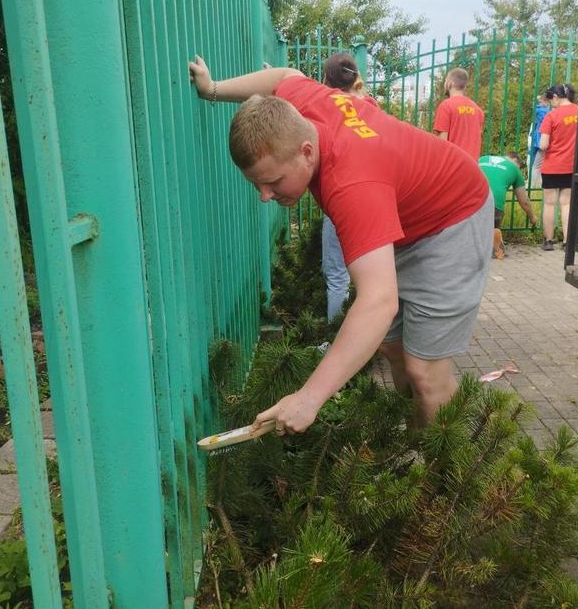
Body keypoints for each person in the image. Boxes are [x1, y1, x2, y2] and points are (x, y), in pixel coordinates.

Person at [188, 56, 493, 433]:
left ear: (306, 151)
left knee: (425, 371)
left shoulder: (351, 184)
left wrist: (309, 398)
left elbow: (378, 301)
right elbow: (284, 77)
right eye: (256, 184)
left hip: (454, 217)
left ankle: (444, 474)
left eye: (273, 181)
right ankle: (413, 440)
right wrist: (213, 89)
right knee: (393, 350)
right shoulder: (304, 105)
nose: (264, 196)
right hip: (408, 215)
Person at [319, 53, 377, 321]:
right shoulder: (372, 107)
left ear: (325, 80)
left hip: (342, 200)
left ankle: (336, 340)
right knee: (373, 278)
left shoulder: (325, 108)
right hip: (374, 202)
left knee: (337, 274)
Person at [538, 84, 578, 250]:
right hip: (571, 165)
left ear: (556, 97)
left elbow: (543, 144)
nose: (550, 103)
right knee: (566, 204)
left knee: (549, 204)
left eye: (550, 100)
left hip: (552, 166)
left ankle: (548, 241)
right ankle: (567, 242)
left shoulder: (551, 116)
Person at [479, 152, 538, 259]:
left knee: (472, 227)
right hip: (494, 206)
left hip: (470, 202)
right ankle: (494, 235)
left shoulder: (482, 159)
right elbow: (524, 201)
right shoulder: (514, 169)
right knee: (493, 222)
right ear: (515, 160)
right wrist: (532, 217)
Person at [433, 67, 485, 159]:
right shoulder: (478, 110)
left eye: (446, 80)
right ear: (464, 86)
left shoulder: (446, 106)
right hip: (472, 166)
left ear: (450, 82)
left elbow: (442, 143)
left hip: (453, 165)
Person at [528, 95, 550, 189]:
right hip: (544, 140)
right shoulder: (547, 111)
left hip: (538, 140)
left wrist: (537, 99)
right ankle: (535, 185)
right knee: (539, 165)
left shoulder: (537, 110)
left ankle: (534, 185)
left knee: (535, 165)